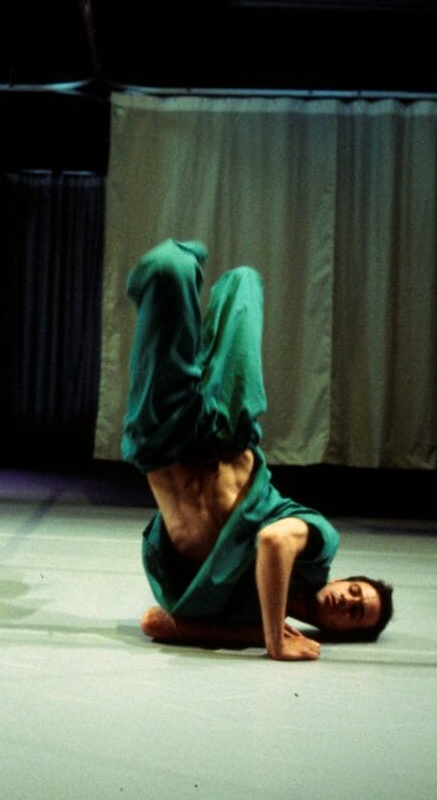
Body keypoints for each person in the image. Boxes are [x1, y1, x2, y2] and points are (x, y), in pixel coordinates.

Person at [122, 239, 393, 660]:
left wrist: (255, 631)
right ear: (344, 580)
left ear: (344, 631)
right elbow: (272, 540)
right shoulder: (318, 545)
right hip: (231, 428)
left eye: (356, 614)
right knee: (244, 285)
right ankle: (216, 278)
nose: (348, 602)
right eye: (355, 592)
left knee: (168, 267)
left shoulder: (252, 618)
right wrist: (273, 640)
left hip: (164, 441)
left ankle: (180, 260)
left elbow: (154, 622)